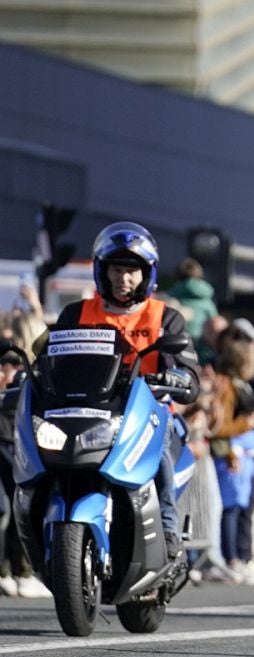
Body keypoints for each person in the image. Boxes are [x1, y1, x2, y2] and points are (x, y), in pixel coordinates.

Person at [52, 222, 200, 560]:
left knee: (158, 444)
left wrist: (178, 378)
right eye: (117, 269)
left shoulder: (166, 318)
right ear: (102, 271)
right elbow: (49, 360)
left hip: (146, 412)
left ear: (147, 274)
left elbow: (189, 374)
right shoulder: (75, 314)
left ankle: (167, 524)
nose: (124, 278)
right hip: (85, 413)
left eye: (133, 271)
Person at [165, 257, 218, 346]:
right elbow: (214, 323)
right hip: (200, 344)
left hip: (176, 342)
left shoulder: (171, 294)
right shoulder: (207, 299)